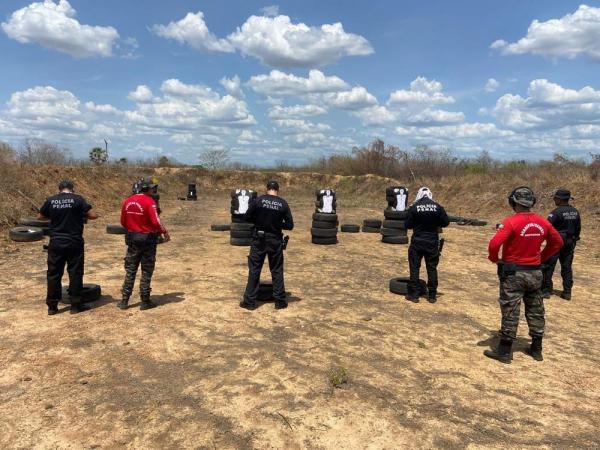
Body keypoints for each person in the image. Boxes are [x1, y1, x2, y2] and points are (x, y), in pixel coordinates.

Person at [486, 187, 563, 364]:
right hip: (535, 272)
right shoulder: (542, 222)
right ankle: (536, 348)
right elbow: (557, 242)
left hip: (513, 272)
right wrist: (541, 258)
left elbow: (494, 243)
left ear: (513, 202)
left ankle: (504, 351)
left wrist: (494, 259)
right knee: (536, 308)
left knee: (511, 309)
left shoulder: (511, 222)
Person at [38, 180, 99, 315]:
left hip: (56, 242)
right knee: (75, 272)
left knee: (53, 273)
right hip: (74, 242)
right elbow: (93, 215)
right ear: (72, 189)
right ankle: (76, 306)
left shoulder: (51, 200)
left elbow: (40, 217)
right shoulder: (78, 199)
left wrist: (55, 218)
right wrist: (79, 216)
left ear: (59, 189)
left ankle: (52, 307)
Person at [240, 181, 294, 310]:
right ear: (277, 190)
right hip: (275, 240)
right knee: (276, 270)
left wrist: (259, 221)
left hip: (259, 239)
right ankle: (280, 302)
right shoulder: (283, 203)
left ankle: (249, 302)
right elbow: (290, 225)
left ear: (267, 189)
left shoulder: (258, 200)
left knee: (254, 270)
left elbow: (247, 217)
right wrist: (277, 224)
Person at [118, 179, 170, 310]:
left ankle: (124, 300)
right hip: (148, 240)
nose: (153, 190)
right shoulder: (149, 201)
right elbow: (156, 221)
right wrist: (164, 232)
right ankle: (145, 301)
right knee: (146, 270)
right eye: (151, 188)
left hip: (132, 238)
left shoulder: (127, 201)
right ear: (146, 189)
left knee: (130, 270)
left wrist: (134, 227)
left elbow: (123, 222)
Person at [405, 187, 450, 303]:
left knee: (414, 268)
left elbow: (407, 225)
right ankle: (432, 296)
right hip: (432, 243)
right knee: (432, 268)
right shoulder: (437, 206)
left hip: (417, 242)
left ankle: (414, 295)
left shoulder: (414, 207)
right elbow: (446, 222)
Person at [542, 189, 581, 301]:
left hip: (556, 241)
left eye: (555, 198)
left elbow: (546, 227)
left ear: (559, 199)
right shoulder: (575, 211)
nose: (554, 199)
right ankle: (567, 292)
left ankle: (546, 290)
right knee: (567, 267)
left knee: (549, 265)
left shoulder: (555, 212)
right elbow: (578, 227)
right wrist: (575, 239)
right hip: (570, 241)